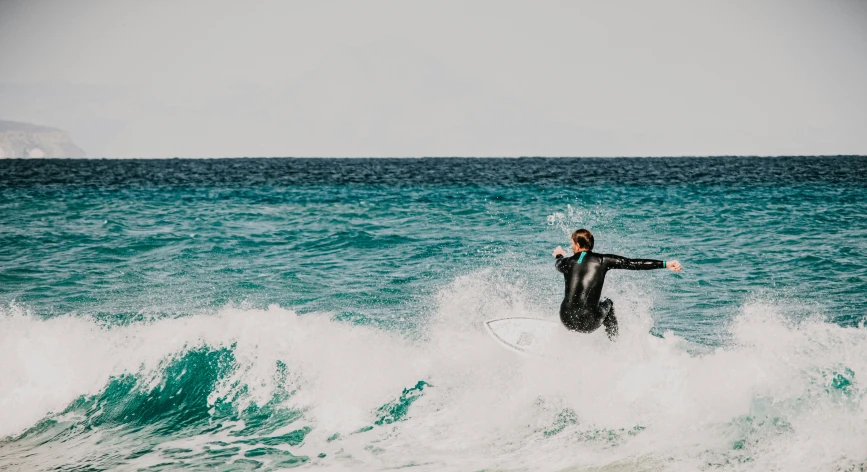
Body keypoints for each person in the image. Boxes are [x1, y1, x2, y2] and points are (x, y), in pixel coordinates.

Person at [553, 229, 682, 340]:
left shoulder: (567, 262)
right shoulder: (602, 260)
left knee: (573, 302)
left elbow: (558, 263)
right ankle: (615, 343)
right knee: (608, 303)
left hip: (566, 319)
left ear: (577, 245)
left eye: (572, 245)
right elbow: (633, 263)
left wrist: (559, 254)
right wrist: (666, 264)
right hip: (589, 322)